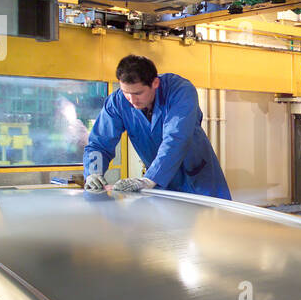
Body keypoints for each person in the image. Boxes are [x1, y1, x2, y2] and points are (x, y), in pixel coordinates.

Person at [83, 55, 231, 199]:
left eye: (138, 93)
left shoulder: (180, 91)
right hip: (158, 183)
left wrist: (148, 180)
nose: (131, 100)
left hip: (198, 180)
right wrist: (93, 172)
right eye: (126, 93)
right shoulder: (117, 102)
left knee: (212, 221)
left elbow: (176, 138)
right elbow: (99, 143)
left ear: (155, 83)